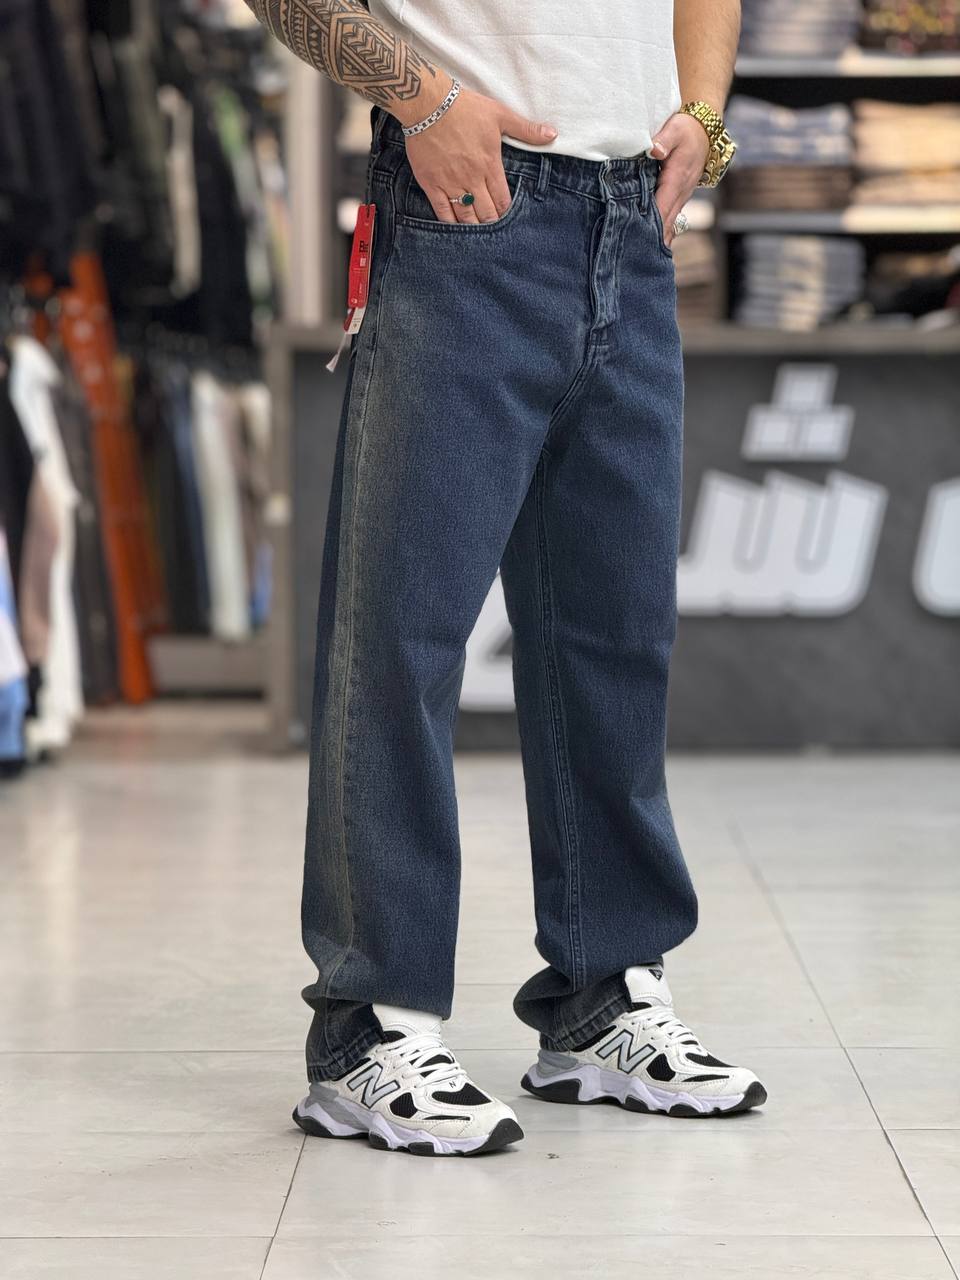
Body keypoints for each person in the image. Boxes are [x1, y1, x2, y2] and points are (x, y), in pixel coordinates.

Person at [245, 0, 765, 1157]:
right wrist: (421, 98)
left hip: (635, 213)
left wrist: (703, 115)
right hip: (462, 207)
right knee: (403, 634)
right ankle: (370, 1026)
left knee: (615, 633)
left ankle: (603, 995)